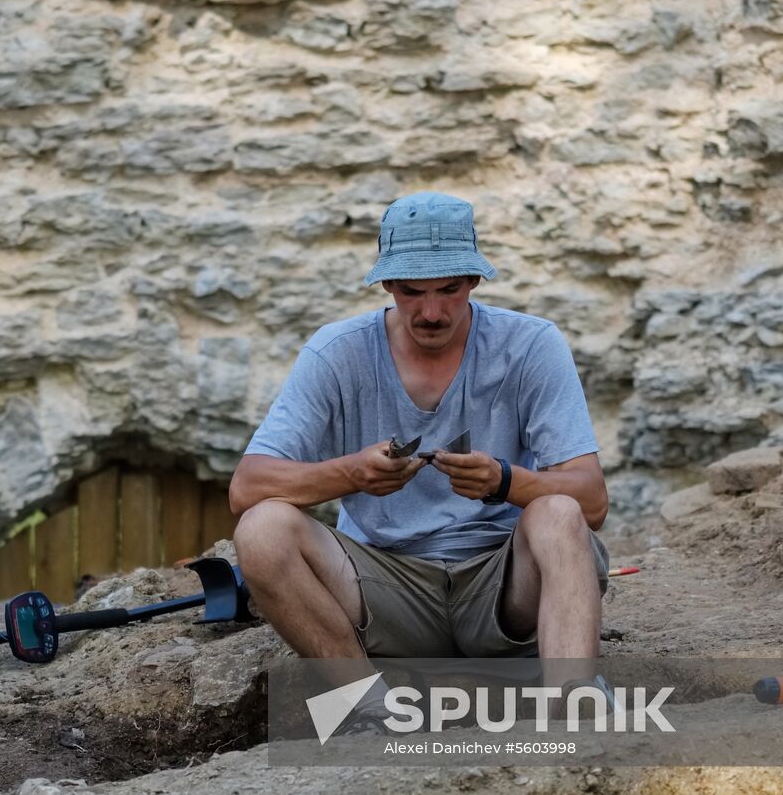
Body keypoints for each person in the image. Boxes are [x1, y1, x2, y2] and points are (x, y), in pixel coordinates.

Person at [229, 192, 610, 677]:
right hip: (382, 587)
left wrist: (503, 481)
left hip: (502, 586)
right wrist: (352, 473)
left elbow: (592, 502)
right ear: (387, 283)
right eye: (412, 291)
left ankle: (572, 703)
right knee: (262, 529)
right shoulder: (337, 352)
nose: (431, 313)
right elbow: (246, 487)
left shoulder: (532, 344)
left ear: (474, 279)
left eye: (448, 289)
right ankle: (362, 705)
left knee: (559, 512)